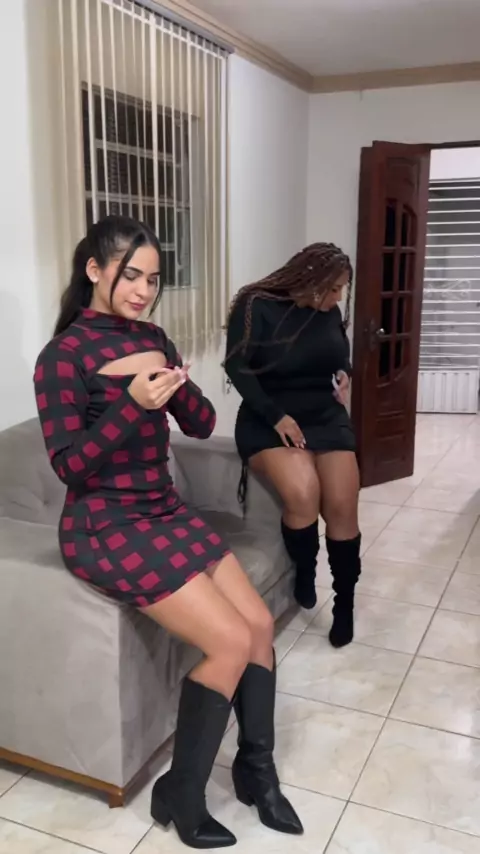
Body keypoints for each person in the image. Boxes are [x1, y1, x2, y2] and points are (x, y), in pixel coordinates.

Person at [34, 216, 303, 849]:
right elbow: (70, 466)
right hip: (103, 525)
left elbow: (203, 422)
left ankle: (256, 772)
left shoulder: (152, 336)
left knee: (258, 625)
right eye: (130, 275)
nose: (143, 291)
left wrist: (177, 386)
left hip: (162, 510)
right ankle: (182, 793)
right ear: (94, 270)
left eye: (153, 280)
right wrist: (132, 404)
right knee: (230, 641)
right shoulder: (63, 357)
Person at [224, 243, 361, 650]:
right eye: (333, 289)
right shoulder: (256, 305)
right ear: (310, 279)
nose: (338, 297)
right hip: (269, 417)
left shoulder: (328, 311)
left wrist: (345, 374)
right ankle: (305, 568)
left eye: (342, 289)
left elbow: (338, 353)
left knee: (342, 505)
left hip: (324, 415)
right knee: (304, 494)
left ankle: (345, 604)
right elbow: (237, 366)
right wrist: (276, 416)